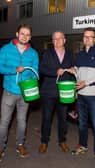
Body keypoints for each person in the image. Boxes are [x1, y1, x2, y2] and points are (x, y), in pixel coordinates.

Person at [0, 24, 39, 161]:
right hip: (9, 91)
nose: (25, 37)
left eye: (28, 35)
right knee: (4, 121)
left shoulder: (33, 53)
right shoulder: (5, 49)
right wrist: (14, 69)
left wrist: (33, 83)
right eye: (22, 33)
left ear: (30, 37)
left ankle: (20, 144)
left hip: (25, 93)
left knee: (22, 121)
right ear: (17, 34)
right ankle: (1, 147)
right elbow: (0, 67)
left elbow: (35, 72)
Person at [70, 27, 95, 167]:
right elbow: (78, 73)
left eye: (90, 37)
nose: (87, 39)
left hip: (93, 96)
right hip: (81, 95)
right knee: (82, 123)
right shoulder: (78, 55)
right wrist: (73, 71)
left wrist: (87, 83)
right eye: (85, 36)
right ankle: (82, 145)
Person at [38, 31, 75, 154]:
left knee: (63, 119)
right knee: (47, 118)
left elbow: (75, 69)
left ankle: (62, 141)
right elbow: (41, 69)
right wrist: (55, 71)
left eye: (60, 38)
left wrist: (73, 70)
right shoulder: (46, 53)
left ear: (64, 40)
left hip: (64, 92)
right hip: (48, 92)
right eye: (54, 39)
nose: (57, 41)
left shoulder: (70, 55)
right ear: (52, 41)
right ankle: (44, 141)